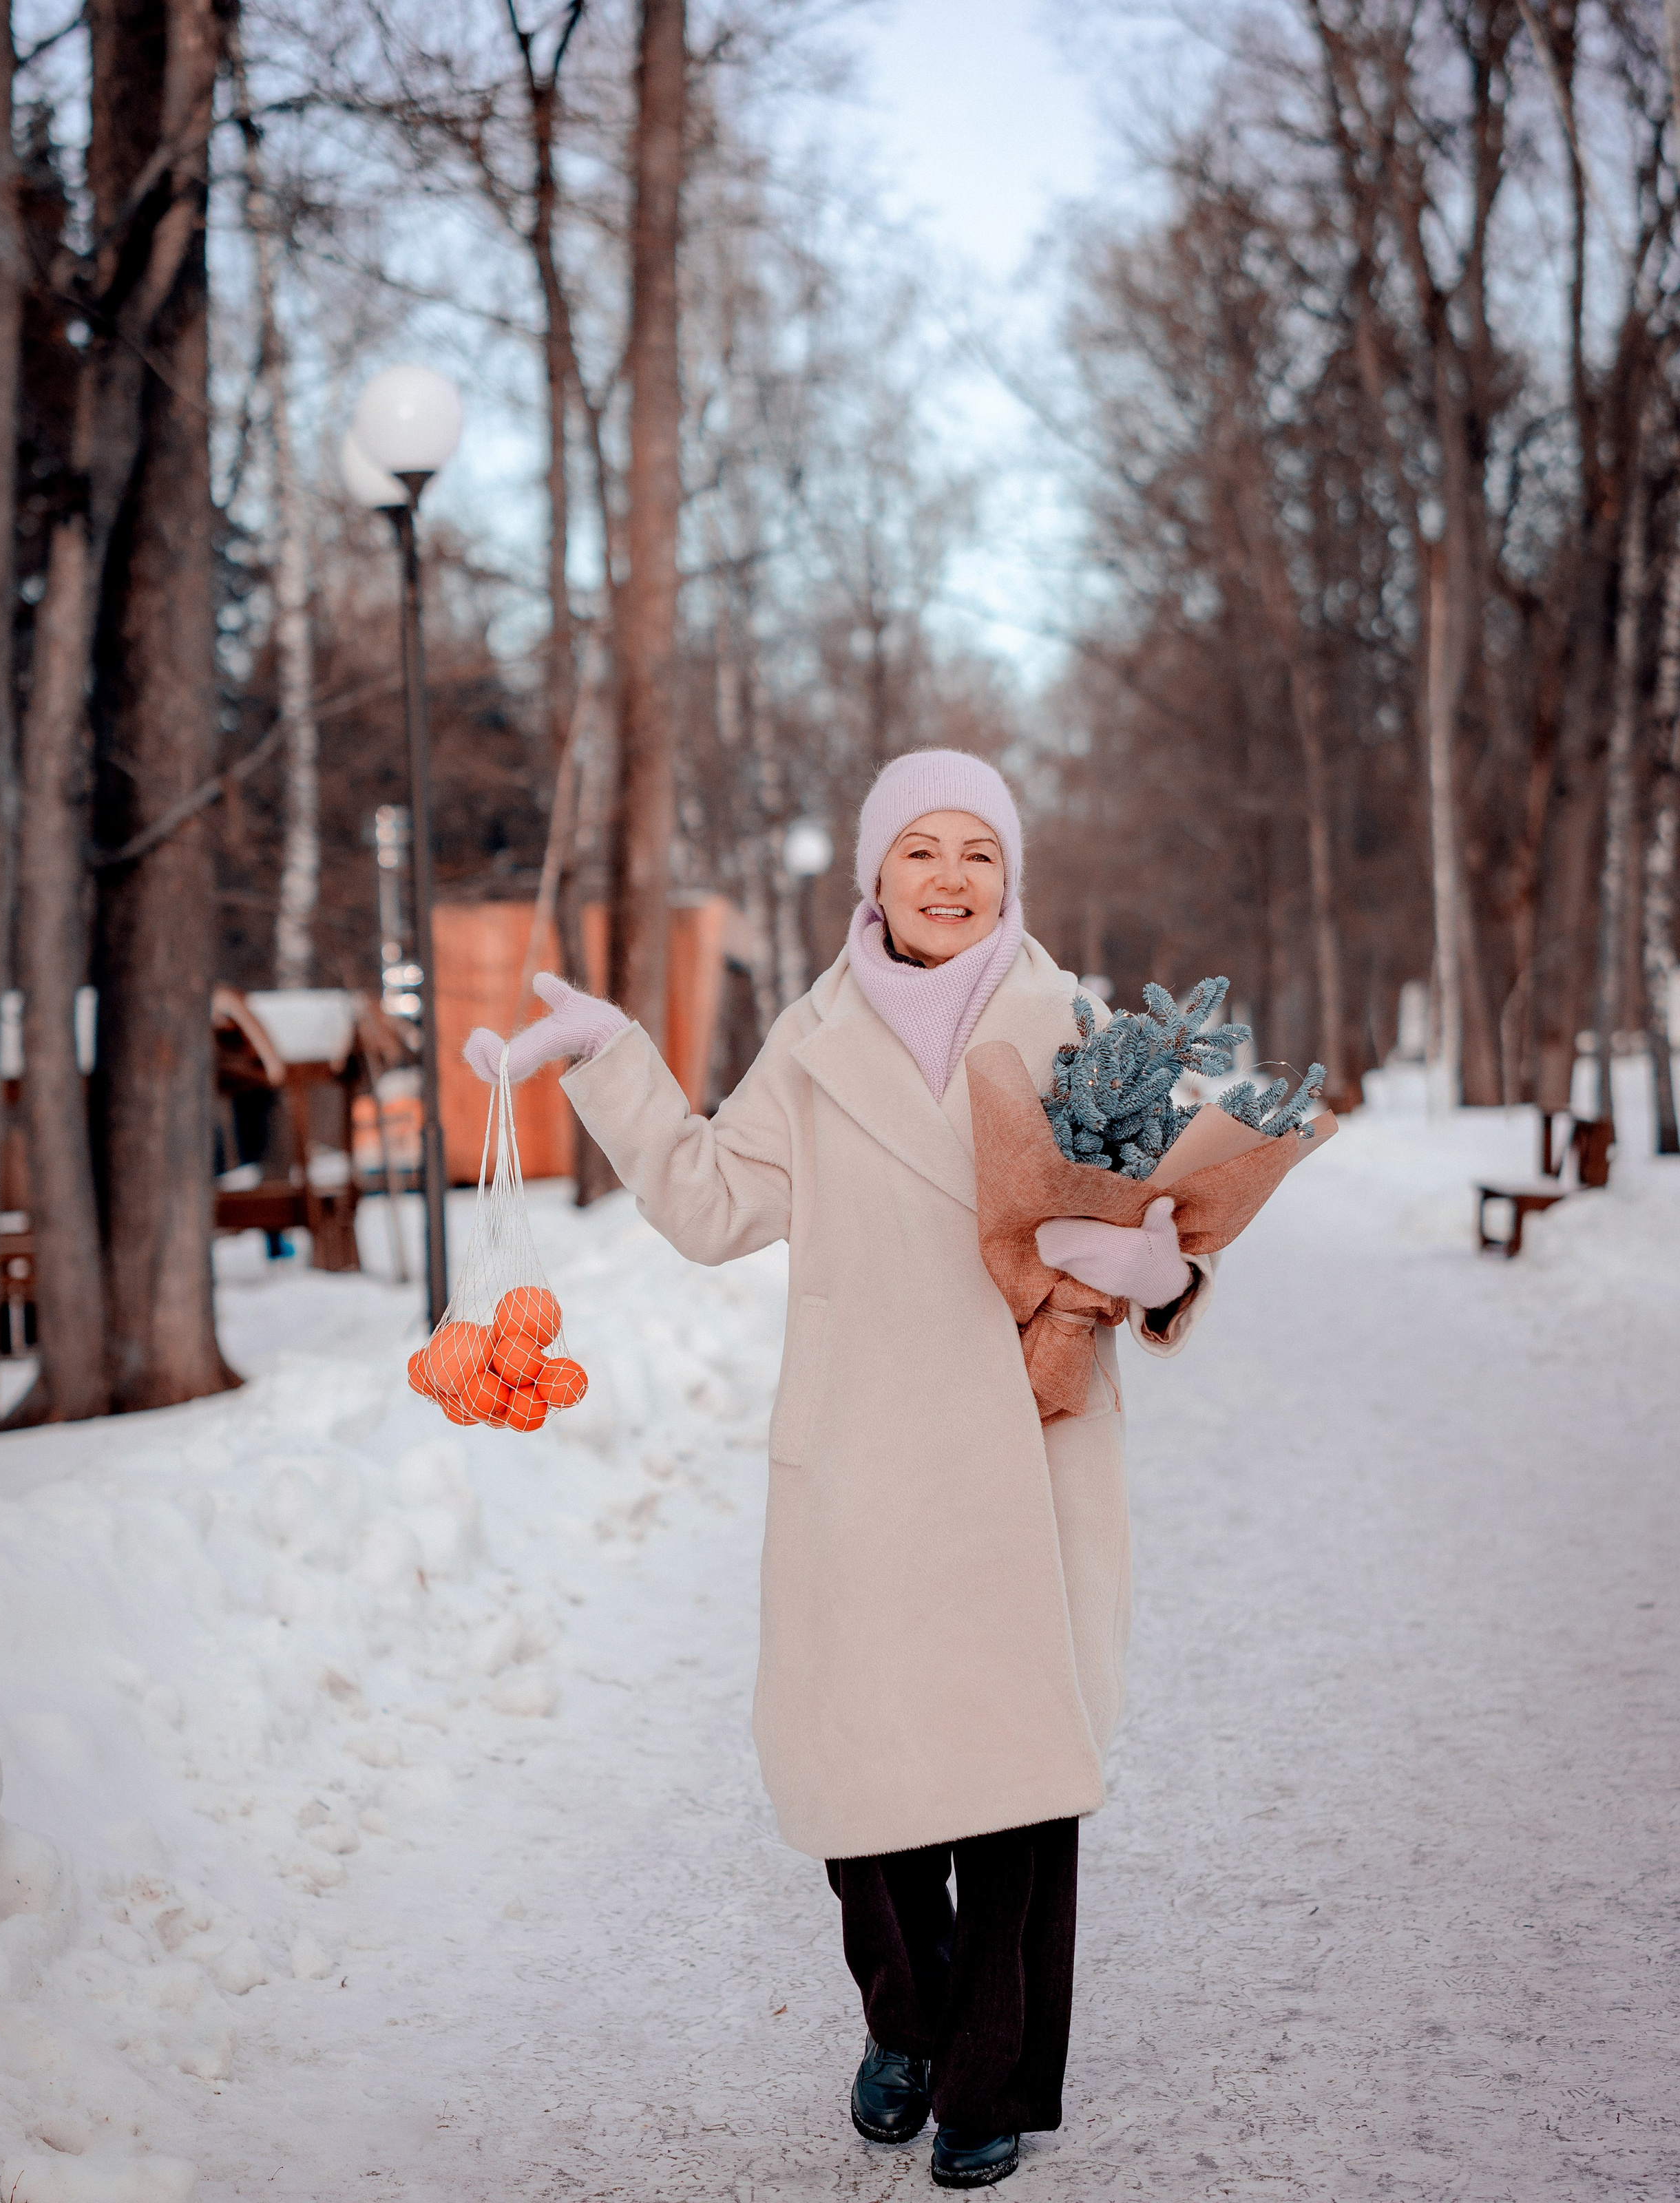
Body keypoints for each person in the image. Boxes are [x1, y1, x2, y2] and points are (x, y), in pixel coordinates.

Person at [464, 750, 1212, 2190]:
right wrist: (612, 1054)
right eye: (917, 849)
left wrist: (1153, 1262)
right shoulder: (811, 1044)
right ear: (872, 876)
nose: (946, 876)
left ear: (1009, 879)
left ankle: (986, 2075)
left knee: (1010, 1773)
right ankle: (904, 2024)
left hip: (1025, 1445)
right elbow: (706, 1201)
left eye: (975, 852)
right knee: (851, 1761)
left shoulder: (1079, 1032)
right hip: (864, 1453)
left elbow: (1167, 1210)